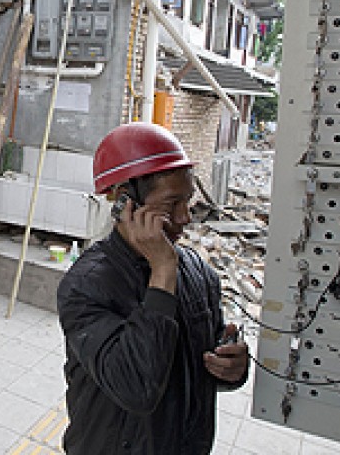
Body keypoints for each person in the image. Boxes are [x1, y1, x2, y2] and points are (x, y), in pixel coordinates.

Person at [56, 122, 250, 454]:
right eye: (171, 203)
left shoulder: (199, 273)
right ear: (125, 203)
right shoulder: (86, 285)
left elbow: (202, 369)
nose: (185, 217)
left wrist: (232, 369)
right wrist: (162, 272)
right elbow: (136, 388)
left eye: (187, 201)